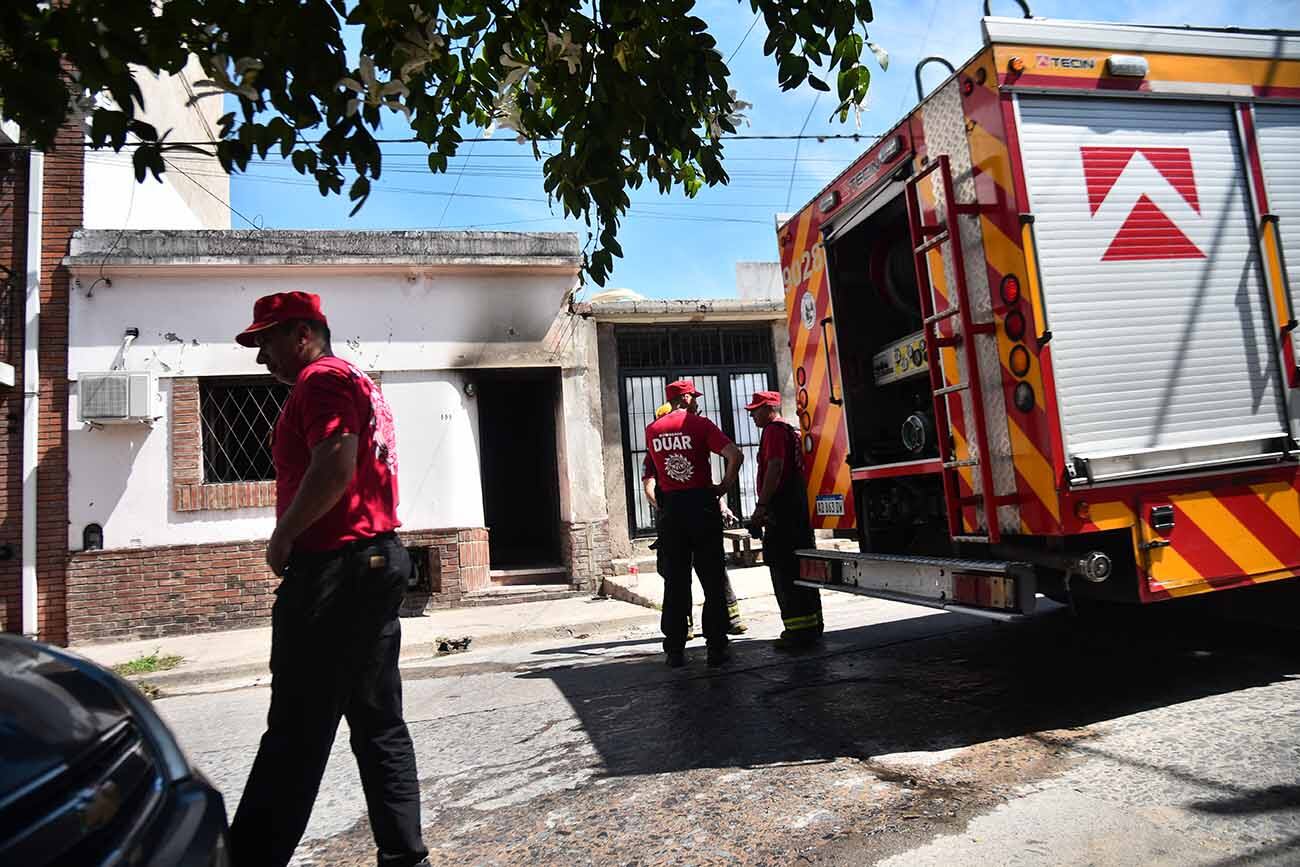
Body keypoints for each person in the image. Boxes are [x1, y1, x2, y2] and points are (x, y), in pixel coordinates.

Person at [229, 291, 428, 867]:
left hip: (334, 570)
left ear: (303, 333)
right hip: (373, 558)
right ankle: (404, 855)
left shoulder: (319, 381)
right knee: (377, 721)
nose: (261, 356)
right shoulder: (356, 380)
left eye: (266, 340)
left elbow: (337, 460)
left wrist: (283, 535)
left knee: (295, 729)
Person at [645, 380, 743, 667]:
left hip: (672, 510)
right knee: (712, 578)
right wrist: (724, 486)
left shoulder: (652, 430)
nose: (697, 401)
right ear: (686, 397)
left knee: (675, 581)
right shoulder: (700, 425)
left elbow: (653, 475)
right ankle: (716, 647)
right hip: (701, 505)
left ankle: (674, 650)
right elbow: (735, 455)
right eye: (694, 397)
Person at [745, 390, 824, 650]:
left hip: (782, 512)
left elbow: (775, 467)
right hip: (797, 510)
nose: (752, 415)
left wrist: (761, 507)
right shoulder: (790, 430)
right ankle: (813, 625)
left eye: (755, 410)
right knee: (803, 567)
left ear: (769, 408)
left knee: (784, 569)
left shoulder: (773, 431)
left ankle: (797, 632)